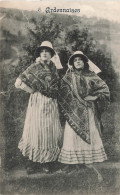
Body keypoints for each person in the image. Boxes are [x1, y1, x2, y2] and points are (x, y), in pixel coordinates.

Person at [58, 51, 110, 182]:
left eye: (80, 60)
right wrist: (72, 103)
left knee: (90, 133)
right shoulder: (68, 77)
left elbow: (104, 89)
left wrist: (95, 96)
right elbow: (61, 92)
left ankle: (87, 161)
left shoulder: (91, 75)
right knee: (71, 136)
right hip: (73, 112)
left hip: (88, 111)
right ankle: (72, 164)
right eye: (75, 60)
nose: (78, 62)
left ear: (84, 62)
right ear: (72, 64)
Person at [15, 41, 63, 174]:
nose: (45, 53)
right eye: (42, 51)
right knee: (35, 130)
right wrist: (30, 90)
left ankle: (46, 163)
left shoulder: (54, 68)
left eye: (48, 51)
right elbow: (18, 82)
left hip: (51, 103)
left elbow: (57, 85)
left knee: (49, 131)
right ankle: (31, 163)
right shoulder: (34, 67)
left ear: (52, 54)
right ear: (39, 54)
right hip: (38, 102)